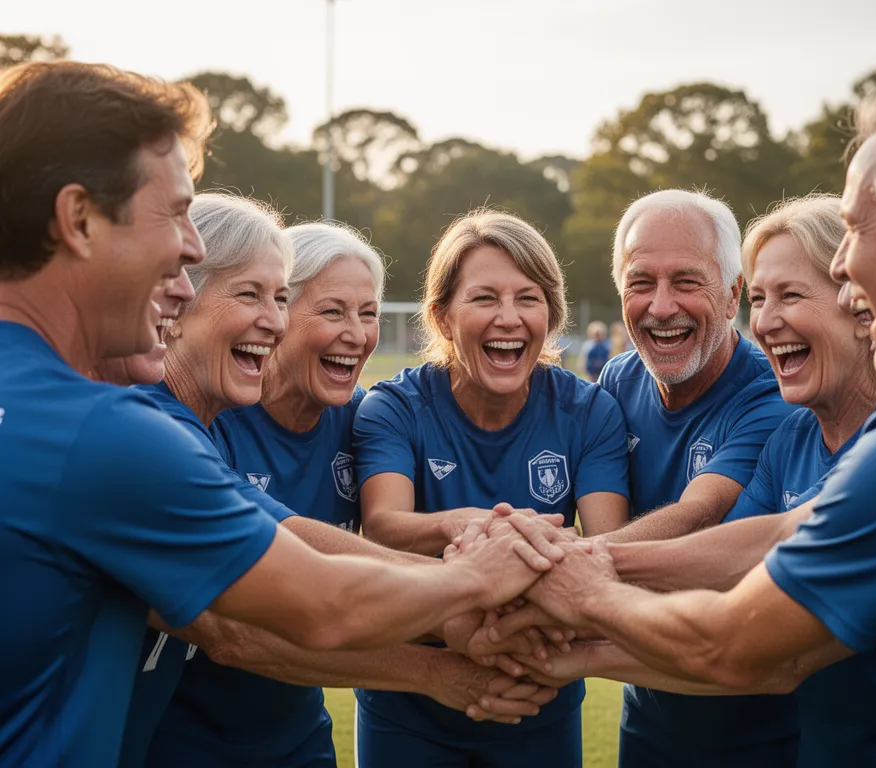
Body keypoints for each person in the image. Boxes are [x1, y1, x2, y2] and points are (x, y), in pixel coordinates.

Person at [0, 62, 565, 767]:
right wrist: (484, 576)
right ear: (78, 219)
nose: (191, 249)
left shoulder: (80, 417)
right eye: (172, 213)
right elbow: (318, 604)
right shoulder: (103, 433)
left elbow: (284, 550)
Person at [514, 81, 876, 768]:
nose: (845, 266)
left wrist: (578, 587)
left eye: (857, 229)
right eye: (761, 297)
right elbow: (777, 537)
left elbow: (739, 644)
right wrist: (591, 567)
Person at [502, 195, 876, 768]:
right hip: (681, 719)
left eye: (791, 295)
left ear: (861, 304)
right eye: (762, 299)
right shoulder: (794, 437)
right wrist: (565, 630)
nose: (766, 321)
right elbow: (734, 564)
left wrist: (564, 579)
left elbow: (770, 652)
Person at [147, 216, 556, 766]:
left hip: (299, 740)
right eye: (333, 311)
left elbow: (378, 557)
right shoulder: (197, 418)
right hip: (179, 745)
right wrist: (466, 601)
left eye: (368, 314)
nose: (358, 334)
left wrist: (487, 565)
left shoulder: (364, 420)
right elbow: (245, 618)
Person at [353, 209, 631, 767]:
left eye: (528, 298)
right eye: (484, 298)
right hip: (407, 710)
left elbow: (609, 550)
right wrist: (482, 528)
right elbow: (383, 528)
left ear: (551, 315)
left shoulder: (589, 411)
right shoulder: (393, 407)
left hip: (540, 700)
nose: (509, 318)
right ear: (442, 316)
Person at [593, 189, 798, 767]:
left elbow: (698, 513)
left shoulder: (772, 396)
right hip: (649, 713)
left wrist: (556, 570)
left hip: (762, 729)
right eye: (641, 282)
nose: (661, 307)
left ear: (732, 294)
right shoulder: (616, 381)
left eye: (686, 281)